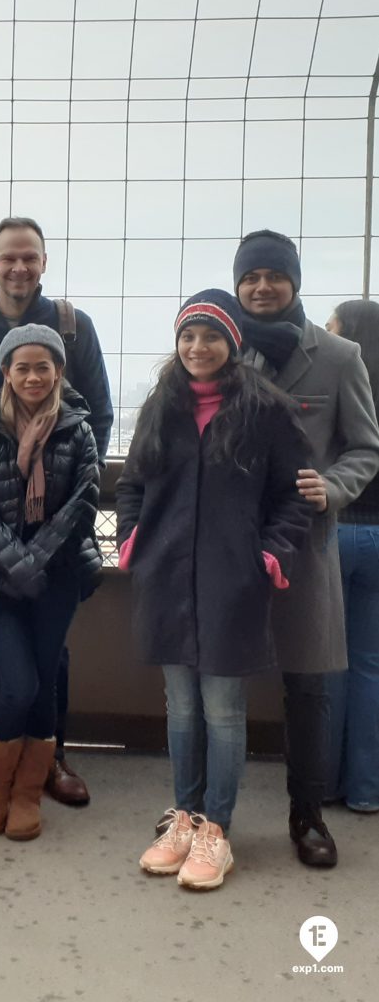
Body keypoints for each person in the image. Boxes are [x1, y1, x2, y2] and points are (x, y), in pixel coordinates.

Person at [116, 290, 312, 889]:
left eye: (210, 336)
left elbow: (292, 496)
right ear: (177, 345)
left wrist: (270, 555)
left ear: (233, 343)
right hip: (168, 577)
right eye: (187, 336)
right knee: (181, 708)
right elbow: (132, 484)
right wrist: (131, 542)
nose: (197, 348)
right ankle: (185, 818)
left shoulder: (266, 410)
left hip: (234, 581)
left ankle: (216, 831)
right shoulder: (161, 406)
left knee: (223, 712)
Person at [0, 216, 113, 806]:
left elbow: (99, 416)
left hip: (54, 527)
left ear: (44, 262)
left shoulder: (73, 328)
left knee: (50, 650)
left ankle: (50, 756)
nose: (19, 267)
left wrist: (63, 484)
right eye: (8, 257)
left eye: (30, 257)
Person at [233, 231, 379, 866]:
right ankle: (211, 814)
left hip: (310, 546)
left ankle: (309, 816)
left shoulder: (340, 356)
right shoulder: (220, 349)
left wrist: (336, 486)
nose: (262, 287)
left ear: (294, 281)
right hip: (231, 548)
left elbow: (365, 448)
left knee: (311, 687)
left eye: (275, 275)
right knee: (221, 684)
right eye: (251, 277)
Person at [0, 324, 100, 841]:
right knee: (17, 684)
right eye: (24, 367)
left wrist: (34, 560)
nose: (34, 376)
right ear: (6, 373)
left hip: (56, 580)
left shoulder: (77, 430)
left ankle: (25, 794)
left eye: (44, 367)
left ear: (59, 371)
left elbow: (83, 503)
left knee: (42, 687)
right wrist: (15, 562)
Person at [325, 299, 379, 814]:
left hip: (335, 533)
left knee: (328, 665)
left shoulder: (338, 377)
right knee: (371, 667)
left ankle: (323, 784)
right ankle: (366, 790)